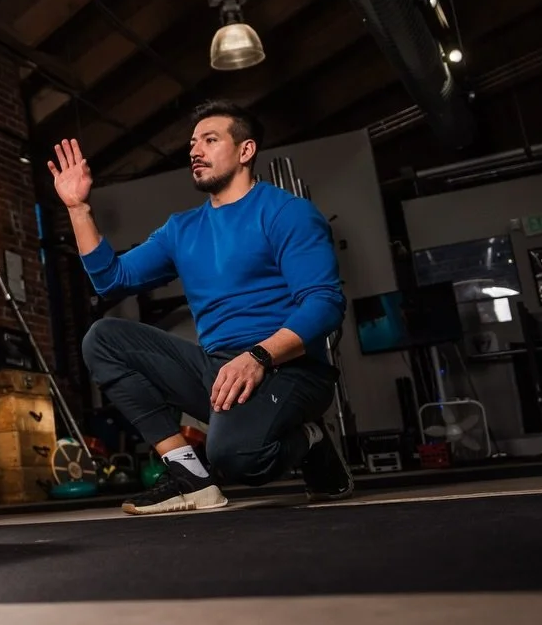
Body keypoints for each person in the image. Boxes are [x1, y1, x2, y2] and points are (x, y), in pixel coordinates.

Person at [49, 100, 353, 515]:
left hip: (290, 367)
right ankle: (190, 476)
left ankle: (312, 438)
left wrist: (259, 355)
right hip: (220, 369)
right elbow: (111, 279)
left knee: (237, 457)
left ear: (245, 151)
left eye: (210, 140)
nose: (195, 151)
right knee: (103, 339)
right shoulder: (182, 229)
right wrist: (78, 208)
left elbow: (325, 303)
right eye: (193, 143)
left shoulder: (287, 213)